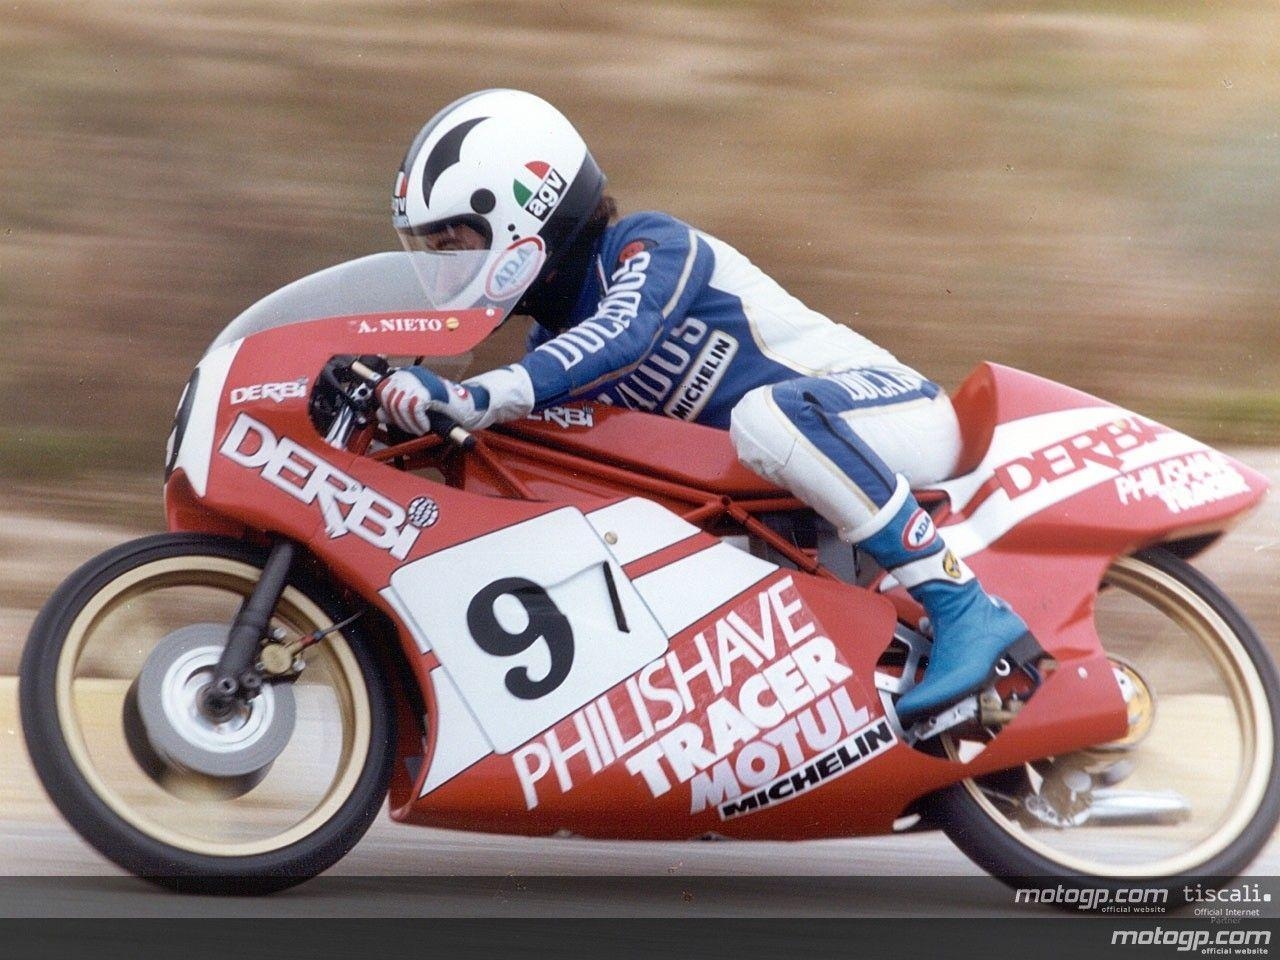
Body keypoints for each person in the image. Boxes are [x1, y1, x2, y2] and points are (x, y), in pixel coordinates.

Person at [377, 88, 1035, 724]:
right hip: (791, 490)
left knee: (767, 416)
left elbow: (621, 336)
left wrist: (476, 395)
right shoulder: (553, 347)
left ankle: (965, 608)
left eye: (453, 245)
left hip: (893, 411)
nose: (443, 272)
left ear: (525, 213)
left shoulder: (649, 247)